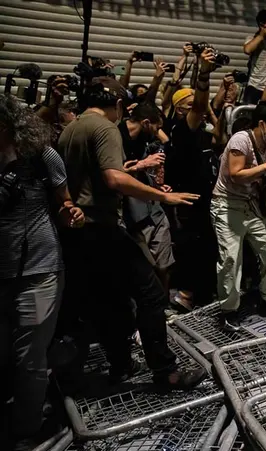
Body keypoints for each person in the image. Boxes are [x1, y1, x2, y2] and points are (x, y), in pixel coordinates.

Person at [57, 77, 203, 388]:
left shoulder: (70, 129)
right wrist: (163, 197)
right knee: (151, 295)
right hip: (102, 228)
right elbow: (114, 178)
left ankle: (121, 365)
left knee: (107, 301)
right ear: (119, 106)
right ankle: (166, 371)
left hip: (79, 231)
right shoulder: (105, 127)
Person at [0, 96, 83, 451]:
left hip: (38, 267)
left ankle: (26, 433)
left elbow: (65, 205)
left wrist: (73, 215)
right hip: (2, 272)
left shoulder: (41, 156)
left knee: (28, 356)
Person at [211, 100, 266, 331]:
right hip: (227, 204)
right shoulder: (241, 140)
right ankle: (229, 311)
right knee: (230, 258)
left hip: (251, 205)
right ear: (262, 124)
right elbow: (236, 174)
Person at [165, 50, 221, 308]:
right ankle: (186, 296)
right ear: (178, 110)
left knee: (209, 248)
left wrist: (207, 107)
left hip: (206, 198)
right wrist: (204, 74)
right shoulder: (180, 130)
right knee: (193, 250)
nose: (197, 108)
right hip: (189, 201)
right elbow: (198, 106)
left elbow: (218, 133)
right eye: (189, 106)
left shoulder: (202, 131)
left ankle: (202, 295)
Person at [119, 103, 176, 297]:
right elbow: (111, 174)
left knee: (163, 263)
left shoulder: (145, 139)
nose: (158, 132)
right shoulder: (116, 137)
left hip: (153, 207)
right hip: (130, 214)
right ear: (145, 123)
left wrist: (157, 186)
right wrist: (142, 165)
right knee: (141, 268)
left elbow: (166, 142)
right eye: (156, 127)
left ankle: (163, 305)